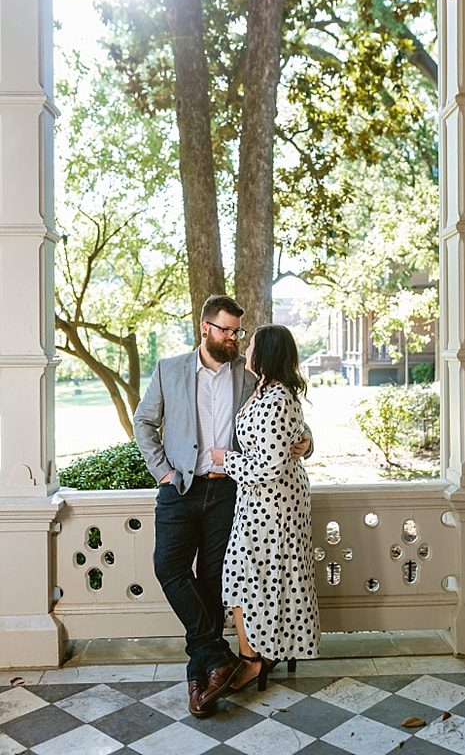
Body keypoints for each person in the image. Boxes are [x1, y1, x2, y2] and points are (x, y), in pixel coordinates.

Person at [133, 295, 311, 718]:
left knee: (214, 579)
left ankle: (204, 673)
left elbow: (290, 419)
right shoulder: (169, 369)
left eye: (238, 332)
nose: (233, 338)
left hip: (230, 491)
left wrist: (307, 443)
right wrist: (163, 472)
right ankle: (215, 654)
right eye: (226, 330)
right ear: (205, 328)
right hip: (180, 490)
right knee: (169, 569)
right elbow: (144, 422)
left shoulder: (248, 375)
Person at [209, 324, 320, 692]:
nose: (246, 346)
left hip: (274, 506)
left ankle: (254, 659)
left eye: (252, 343)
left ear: (266, 352)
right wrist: (305, 439)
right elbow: (294, 434)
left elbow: (269, 466)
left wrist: (226, 460)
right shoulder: (265, 390)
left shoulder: (275, 398)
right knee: (258, 577)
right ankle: (262, 651)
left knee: (247, 575)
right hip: (260, 504)